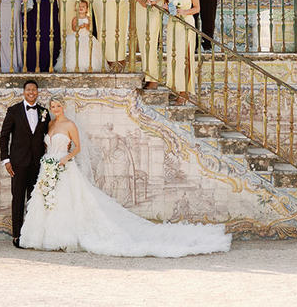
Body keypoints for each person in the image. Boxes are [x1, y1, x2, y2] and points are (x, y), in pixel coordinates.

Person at [19, 96, 230, 256]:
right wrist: (49, 162)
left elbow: (77, 148)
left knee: (68, 202)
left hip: (64, 166)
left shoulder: (69, 125)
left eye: (58, 106)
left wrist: (65, 159)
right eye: (52, 106)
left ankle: (65, 237)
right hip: (48, 167)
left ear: (63, 107)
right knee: (48, 201)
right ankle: (45, 236)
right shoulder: (50, 125)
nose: (55, 109)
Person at [0, 81, 49, 249]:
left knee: (35, 200)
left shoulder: (44, 112)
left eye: (34, 90)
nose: (31, 92)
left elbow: (48, 135)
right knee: (18, 199)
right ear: (24, 92)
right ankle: (17, 235)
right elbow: (4, 136)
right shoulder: (13, 111)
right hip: (18, 164)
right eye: (28, 89)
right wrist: (6, 160)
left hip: (37, 164)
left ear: (37, 92)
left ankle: (33, 234)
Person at [165, 0, 200, 104]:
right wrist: (168, 8)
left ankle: (184, 92)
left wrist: (184, 11)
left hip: (187, 23)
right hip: (173, 25)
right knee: (175, 57)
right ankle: (177, 88)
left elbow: (197, 8)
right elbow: (165, 6)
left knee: (186, 56)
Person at [63, 0, 102, 72]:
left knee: (88, 50)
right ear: (75, 8)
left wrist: (86, 26)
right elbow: (73, 28)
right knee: (76, 51)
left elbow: (90, 28)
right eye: (79, 6)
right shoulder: (75, 19)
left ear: (87, 9)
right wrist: (79, 27)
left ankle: (88, 65)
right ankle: (76, 66)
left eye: (83, 6)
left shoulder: (88, 18)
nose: (81, 8)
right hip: (77, 37)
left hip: (86, 36)